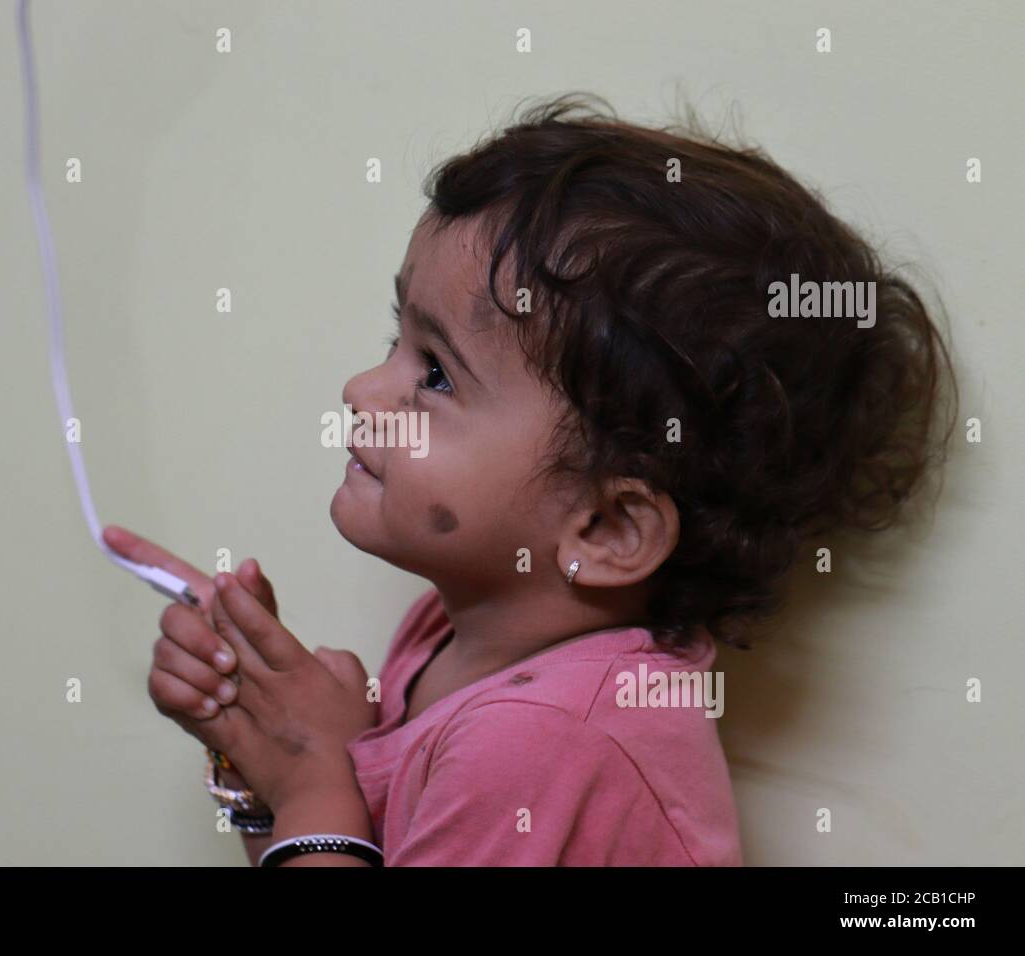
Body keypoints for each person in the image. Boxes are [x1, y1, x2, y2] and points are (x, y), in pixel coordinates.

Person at [106, 92, 957, 866]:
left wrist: (309, 783)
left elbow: (331, 826)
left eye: (436, 372)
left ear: (607, 531)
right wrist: (261, 757)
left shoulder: (541, 740)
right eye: (393, 338)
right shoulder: (452, 633)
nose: (363, 391)